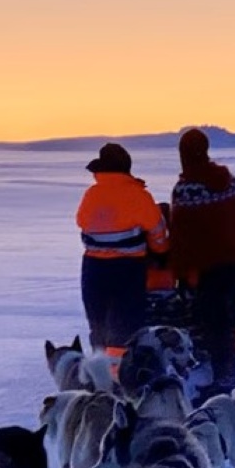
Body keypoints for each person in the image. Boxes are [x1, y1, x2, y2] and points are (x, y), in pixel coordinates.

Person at [169, 128, 235, 397]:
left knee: (213, 323)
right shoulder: (231, 182)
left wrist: (180, 274)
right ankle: (229, 373)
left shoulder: (185, 190)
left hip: (208, 266)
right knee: (228, 317)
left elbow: (180, 237)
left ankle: (224, 383)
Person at [75, 143, 168, 356]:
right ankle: (121, 375)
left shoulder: (91, 194)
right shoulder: (139, 196)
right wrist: (161, 253)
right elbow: (157, 230)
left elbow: (81, 221)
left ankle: (99, 373)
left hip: (93, 269)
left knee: (98, 322)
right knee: (125, 324)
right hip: (128, 268)